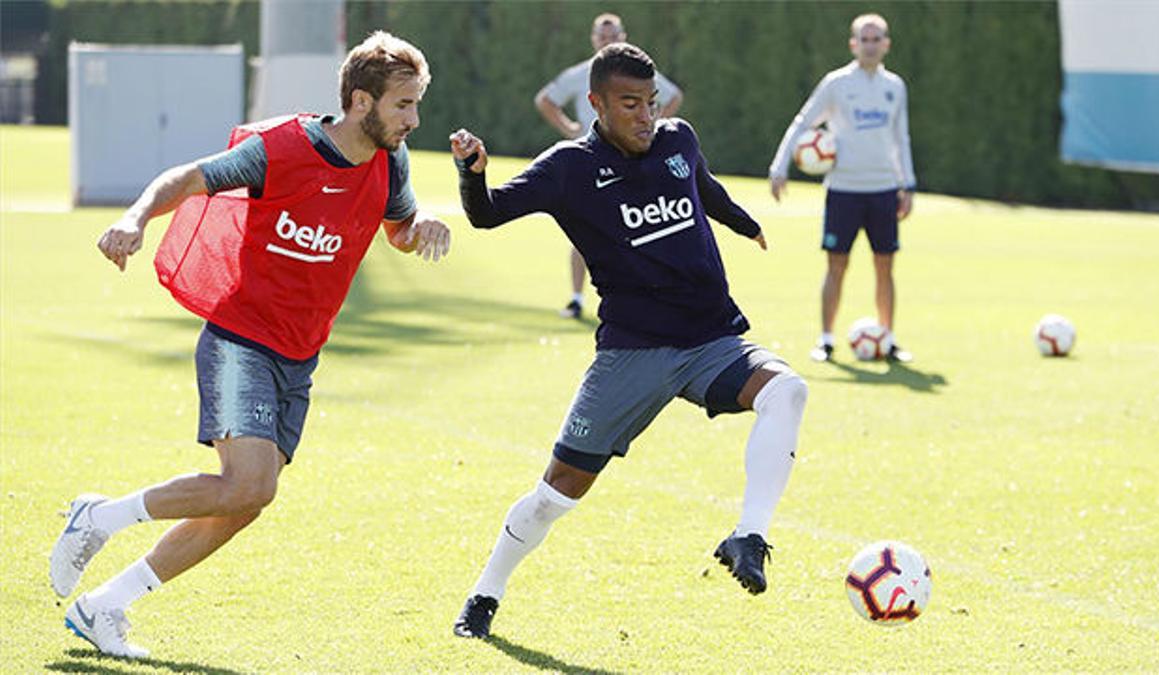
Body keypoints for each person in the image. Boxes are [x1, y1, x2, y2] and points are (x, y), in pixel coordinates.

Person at [49, 31, 450, 659]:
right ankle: (98, 517)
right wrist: (133, 219)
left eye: (416, 104)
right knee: (250, 485)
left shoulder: (391, 161)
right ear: (360, 102)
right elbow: (187, 177)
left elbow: (395, 227)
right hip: (241, 341)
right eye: (403, 105)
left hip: (301, 354)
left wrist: (418, 224)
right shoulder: (283, 151)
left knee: (245, 501)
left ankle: (106, 606)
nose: (414, 120)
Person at [449, 42, 809, 639]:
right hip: (632, 354)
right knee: (556, 493)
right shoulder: (568, 168)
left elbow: (703, 188)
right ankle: (485, 593)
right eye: (630, 104)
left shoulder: (678, 140)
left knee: (788, 390)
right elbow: (486, 215)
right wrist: (472, 171)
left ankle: (748, 535)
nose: (647, 116)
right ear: (596, 104)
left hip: (710, 339)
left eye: (652, 102)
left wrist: (745, 223)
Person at [768, 13, 916, 362]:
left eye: (876, 38)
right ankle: (826, 340)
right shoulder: (836, 83)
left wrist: (907, 185)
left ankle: (888, 338)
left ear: (886, 44)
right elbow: (803, 122)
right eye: (863, 39)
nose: (869, 45)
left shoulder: (895, 86)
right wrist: (779, 166)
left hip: (883, 190)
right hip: (844, 191)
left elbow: (901, 139)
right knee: (836, 265)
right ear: (853, 44)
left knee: (885, 266)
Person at [535, 12, 684, 319]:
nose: (608, 41)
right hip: (592, 162)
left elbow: (674, 97)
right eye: (603, 37)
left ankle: (651, 295)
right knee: (583, 228)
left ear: (623, 37)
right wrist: (571, 130)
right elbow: (545, 100)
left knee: (644, 226)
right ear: (594, 40)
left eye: (613, 35)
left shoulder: (639, 72)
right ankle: (577, 298)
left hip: (634, 162)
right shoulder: (581, 74)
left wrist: (651, 127)